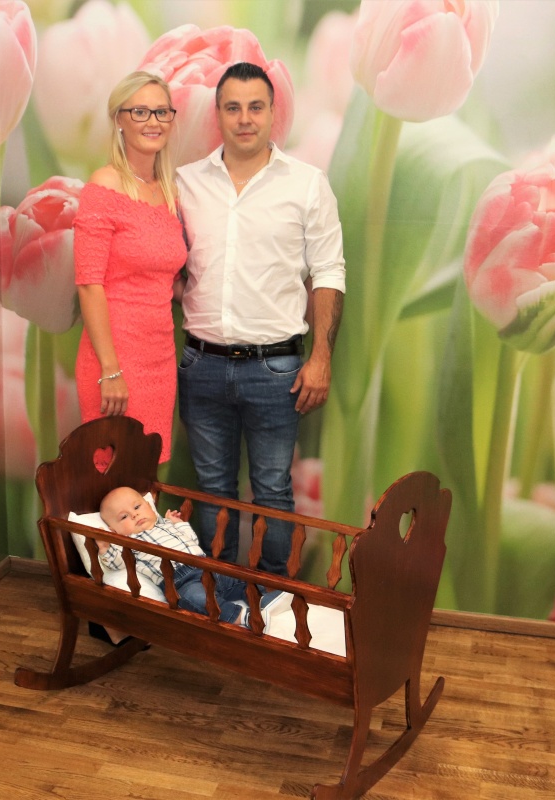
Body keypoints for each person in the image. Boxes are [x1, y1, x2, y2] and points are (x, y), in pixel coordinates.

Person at [176, 62, 346, 575]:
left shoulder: (307, 184)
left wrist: (321, 358)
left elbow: (329, 271)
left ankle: (272, 600)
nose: (244, 118)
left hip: (276, 370)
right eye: (233, 108)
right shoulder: (185, 183)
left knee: (272, 491)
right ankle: (217, 597)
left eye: (256, 107)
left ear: (273, 113)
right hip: (201, 366)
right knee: (213, 491)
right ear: (218, 114)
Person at [75, 71, 188, 463]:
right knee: (112, 480)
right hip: (114, 362)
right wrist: (110, 370)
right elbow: (88, 283)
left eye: (161, 112)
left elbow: (167, 281)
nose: (153, 121)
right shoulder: (103, 186)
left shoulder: (169, 193)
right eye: (140, 112)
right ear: (119, 120)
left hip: (160, 360)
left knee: (146, 478)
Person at [97, 487, 285, 626]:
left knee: (242, 579)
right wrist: (105, 547)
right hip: (181, 581)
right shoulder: (130, 544)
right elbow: (118, 563)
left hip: (207, 566)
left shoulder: (166, 525)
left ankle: (265, 600)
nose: (134, 515)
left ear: (149, 506)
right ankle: (242, 616)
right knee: (198, 599)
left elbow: (192, 540)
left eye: (137, 506)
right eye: (124, 517)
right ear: (114, 530)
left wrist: (179, 524)